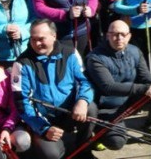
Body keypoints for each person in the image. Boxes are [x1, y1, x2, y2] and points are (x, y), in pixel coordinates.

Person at [11, 20, 96, 159]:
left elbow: (84, 81)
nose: (37, 43)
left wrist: (82, 101)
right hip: (43, 119)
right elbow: (22, 102)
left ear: (54, 36)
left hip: (70, 112)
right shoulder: (22, 63)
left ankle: (83, 149)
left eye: (41, 39)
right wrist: (43, 128)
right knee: (52, 155)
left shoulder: (71, 53)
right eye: (33, 39)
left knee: (91, 108)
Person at [86, 20, 151, 150]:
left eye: (123, 34)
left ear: (129, 36)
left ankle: (150, 131)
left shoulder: (135, 51)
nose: (119, 38)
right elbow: (108, 87)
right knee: (116, 143)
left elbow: (144, 76)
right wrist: (144, 88)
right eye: (114, 34)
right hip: (106, 108)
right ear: (107, 35)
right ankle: (97, 133)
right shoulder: (95, 57)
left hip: (128, 100)